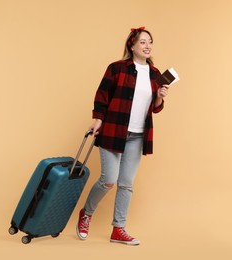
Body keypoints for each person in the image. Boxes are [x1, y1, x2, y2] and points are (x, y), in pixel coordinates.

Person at [76, 27, 169, 246]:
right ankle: (86, 214)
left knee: (126, 184)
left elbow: (155, 108)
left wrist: (160, 97)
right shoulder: (117, 68)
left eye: (150, 42)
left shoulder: (156, 74)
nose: (147, 46)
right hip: (113, 130)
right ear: (132, 46)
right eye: (143, 42)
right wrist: (97, 120)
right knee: (108, 180)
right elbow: (102, 96)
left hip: (138, 135)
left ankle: (118, 229)